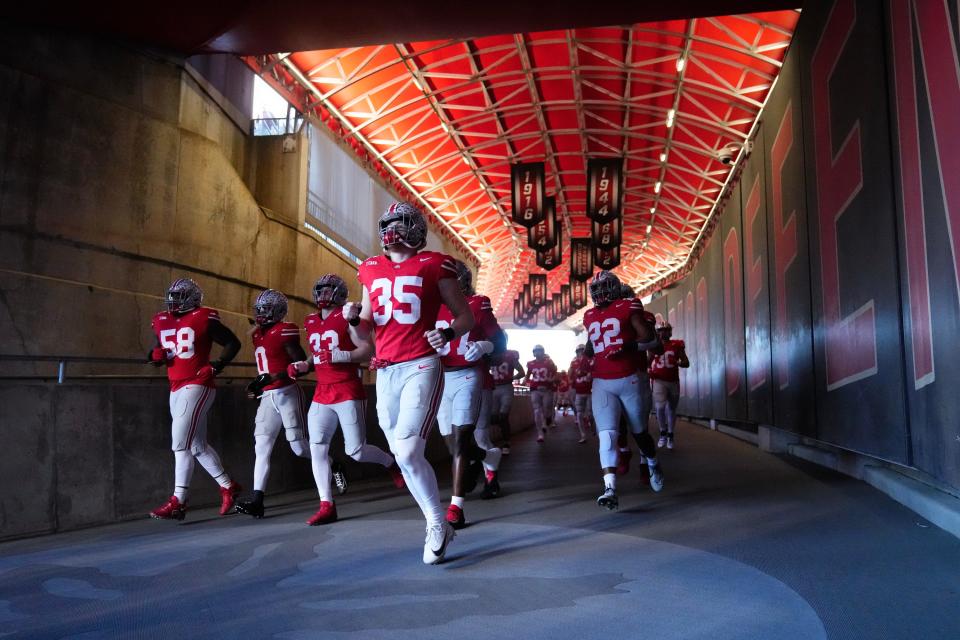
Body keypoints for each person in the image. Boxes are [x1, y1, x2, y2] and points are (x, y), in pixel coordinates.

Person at [346, 201, 474, 564]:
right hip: (385, 370)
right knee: (406, 457)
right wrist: (354, 320)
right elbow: (366, 332)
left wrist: (446, 331)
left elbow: (464, 317)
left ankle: (436, 522)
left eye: (399, 224)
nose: (391, 231)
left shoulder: (435, 263)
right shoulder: (369, 268)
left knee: (405, 451)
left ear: (416, 229)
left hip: (421, 364)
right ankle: (438, 522)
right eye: (388, 224)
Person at [287, 274, 405, 525]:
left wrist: (343, 355)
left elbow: (367, 349)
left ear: (339, 292)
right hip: (322, 391)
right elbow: (318, 354)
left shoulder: (348, 314)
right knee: (317, 448)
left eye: (328, 290)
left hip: (347, 389)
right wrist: (304, 364)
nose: (323, 295)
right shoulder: (310, 320)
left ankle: (390, 463)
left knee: (356, 451)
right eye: (320, 290)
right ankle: (326, 504)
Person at [147, 278, 242, 521]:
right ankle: (228, 486)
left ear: (192, 298)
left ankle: (178, 501)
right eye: (172, 295)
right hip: (175, 386)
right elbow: (160, 350)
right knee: (197, 446)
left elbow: (232, 342)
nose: (173, 301)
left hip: (198, 384)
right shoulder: (161, 320)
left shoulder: (204, 316)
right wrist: (154, 355)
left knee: (180, 443)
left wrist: (217, 365)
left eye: (179, 296)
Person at [583, 271, 664, 511]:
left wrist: (626, 345)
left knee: (639, 432)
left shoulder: (629, 305)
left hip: (631, 378)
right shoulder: (588, 315)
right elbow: (590, 347)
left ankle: (652, 462)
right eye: (596, 289)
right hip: (602, 380)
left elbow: (650, 338)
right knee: (607, 435)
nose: (600, 293)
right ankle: (610, 487)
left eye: (605, 287)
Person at [435, 261, 505, 528]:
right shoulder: (431, 306)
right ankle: (490, 457)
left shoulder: (478, 302)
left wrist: (486, 345)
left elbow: (499, 339)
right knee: (453, 445)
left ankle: (456, 507)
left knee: (464, 439)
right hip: (441, 379)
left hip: (468, 375)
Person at [234, 289, 311, 519]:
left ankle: (331, 463)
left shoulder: (285, 330)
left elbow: (298, 367)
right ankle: (258, 499)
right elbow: (265, 368)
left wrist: (272, 378)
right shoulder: (256, 333)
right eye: (258, 310)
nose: (260, 315)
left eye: (265, 310)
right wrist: (258, 384)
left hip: (287, 392)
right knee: (261, 448)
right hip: (268, 396)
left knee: (298, 448)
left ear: (278, 311)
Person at [649, 323, 690, 449]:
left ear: (670, 332)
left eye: (666, 330)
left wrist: (677, 362)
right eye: (661, 331)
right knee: (660, 407)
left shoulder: (677, 345)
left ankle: (671, 434)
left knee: (672, 408)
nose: (663, 333)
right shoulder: (653, 346)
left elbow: (686, 362)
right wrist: (647, 371)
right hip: (658, 380)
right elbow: (647, 361)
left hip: (673, 381)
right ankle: (663, 432)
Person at [489, 347, 525, 454]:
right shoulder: (489, 353)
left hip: (506, 387)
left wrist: (511, 378)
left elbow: (522, 372)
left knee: (503, 415)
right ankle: (502, 437)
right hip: (494, 388)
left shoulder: (510, 355)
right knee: (493, 417)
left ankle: (506, 442)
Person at [525, 345, 557, 443]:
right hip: (535, 389)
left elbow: (555, 374)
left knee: (547, 408)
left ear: (543, 352)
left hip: (547, 389)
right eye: (536, 351)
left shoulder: (549, 362)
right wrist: (527, 381)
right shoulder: (530, 363)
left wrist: (551, 380)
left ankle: (547, 419)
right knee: (537, 410)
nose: (538, 353)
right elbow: (528, 375)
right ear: (534, 353)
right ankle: (540, 433)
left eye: (540, 351)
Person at [569, 345, 594, 444]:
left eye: (582, 350)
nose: (580, 353)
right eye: (579, 351)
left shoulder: (592, 360)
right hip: (579, 391)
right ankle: (583, 435)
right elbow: (570, 375)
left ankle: (593, 428)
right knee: (579, 413)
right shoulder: (573, 363)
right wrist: (572, 385)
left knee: (591, 413)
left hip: (590, 391)